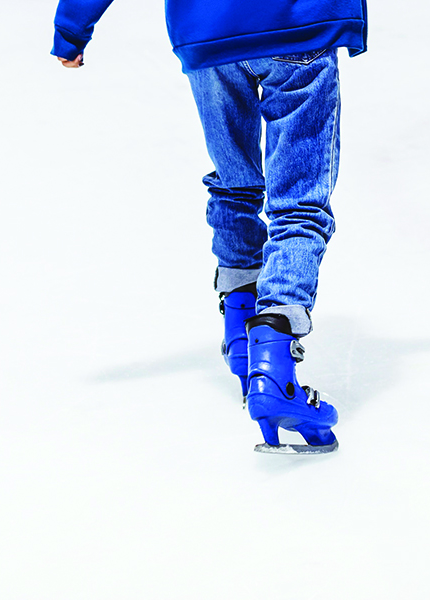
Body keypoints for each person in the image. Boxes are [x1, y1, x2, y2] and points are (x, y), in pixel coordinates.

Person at [51, 0, 367, 452]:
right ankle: (275, 367)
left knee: (235, 183)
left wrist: (72, 27)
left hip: (209, 32)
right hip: (298, 25)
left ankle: (243, 336)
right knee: (298, 203)